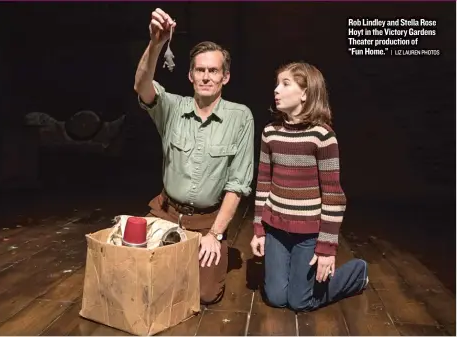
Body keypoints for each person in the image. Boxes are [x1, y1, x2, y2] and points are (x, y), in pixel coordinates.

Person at [134, 8, 254, 305]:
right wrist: (156, 43)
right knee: (135, 274)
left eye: (213, 71)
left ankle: (193, 256)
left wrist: (215, 234)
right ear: (190, 75)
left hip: (206, 221)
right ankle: (171, 258)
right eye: (200, 70)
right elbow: (142, 85)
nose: (206, 77)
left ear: (225, 77)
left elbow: (238, 185)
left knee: (205, 294)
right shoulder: (172, 108)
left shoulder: (241, 118)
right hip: (166, 213)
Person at [250, 61, 368, 312]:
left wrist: (327, 248)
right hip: (276, 229)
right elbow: (262, 184)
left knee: (299, 301)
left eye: (285, 83)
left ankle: (358, 272)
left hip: (308, 234)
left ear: (305, 93)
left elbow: (334, 195)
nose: (276, 90)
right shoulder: (270, 132)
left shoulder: (322, 136)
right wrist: (259, 229)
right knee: (275, 298)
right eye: (276, 84)